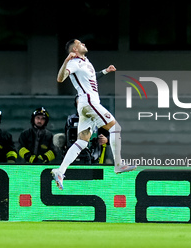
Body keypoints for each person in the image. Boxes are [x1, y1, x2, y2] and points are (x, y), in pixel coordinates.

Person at [51, 39, 136, 190]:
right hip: (89, 103)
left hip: (86, 105)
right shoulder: (74, 61)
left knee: (82, 142)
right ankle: (118, 165)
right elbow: (60, 78)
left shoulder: (85, 62)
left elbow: (91, 78)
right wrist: (66, 60)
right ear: (75, 48)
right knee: (116, 128)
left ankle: (60, 171)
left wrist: (105, 71)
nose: (83, 44)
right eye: (80, 43)